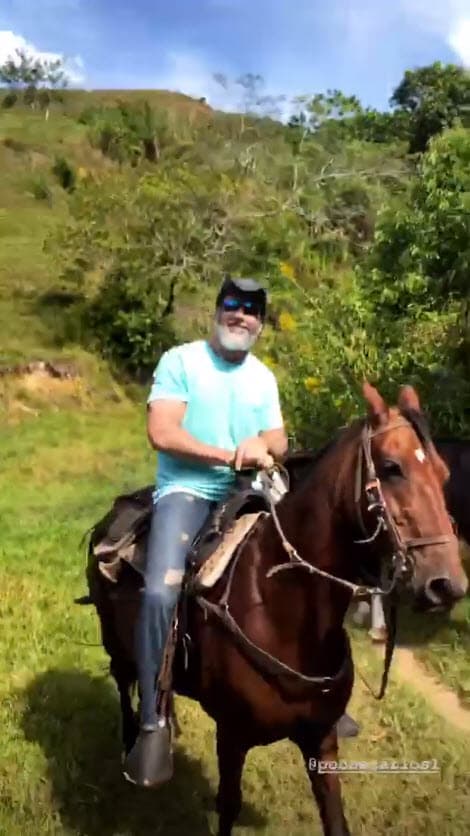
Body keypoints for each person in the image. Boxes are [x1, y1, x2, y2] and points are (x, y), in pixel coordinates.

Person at [123, 276, 357, 787]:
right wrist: (228, 454)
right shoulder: (181, 361)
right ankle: (153, 718)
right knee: (161, 590)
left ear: (260, 322)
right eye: (233, 305)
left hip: (249, 490)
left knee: (317, 564)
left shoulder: (262, 378)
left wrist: (265, 447)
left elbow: (278, 436)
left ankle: (326, 698)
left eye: (253, 310)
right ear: (217, 309)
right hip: (187, 491)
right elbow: (161, 431)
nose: (242, 316)